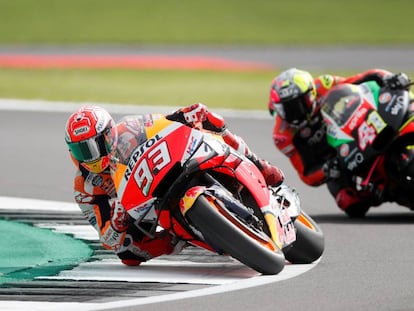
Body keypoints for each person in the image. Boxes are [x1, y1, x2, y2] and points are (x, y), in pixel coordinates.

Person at [65, 103, 285, 266]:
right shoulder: (84, 187)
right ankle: (180, 237)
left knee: (209, 120)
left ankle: (257, 163)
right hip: (142, 207)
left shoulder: (128, 129)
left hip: (168, 165)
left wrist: (182, 115)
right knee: (127, 254)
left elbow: (161, 123)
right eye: (80, 150)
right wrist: (117, 222)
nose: (88, 156)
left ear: (108, 134)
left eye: (92, 147)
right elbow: (107, 238)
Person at [267, 68, 412, 217]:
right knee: (350, 203)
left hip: (355, 130)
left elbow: (360, 79)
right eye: (287, 109)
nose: (295, 112)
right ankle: (393, 193)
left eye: (299, 103)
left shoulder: (322, 84)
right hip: (335, 160)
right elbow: (305, 173)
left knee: (400, 105)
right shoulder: (283, 136)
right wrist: (326, 169)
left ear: (311, 93)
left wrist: (389, 78)